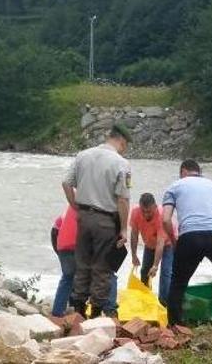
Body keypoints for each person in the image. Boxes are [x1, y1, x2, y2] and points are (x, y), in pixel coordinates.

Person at [62, 123, 132, 318]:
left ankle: (78, 310)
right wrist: (124, 229)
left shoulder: (83, 155)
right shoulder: (122, 164)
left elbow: (66, 182)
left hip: (83, 217)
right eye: (126, 144)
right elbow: (123, 199)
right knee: (102, 266)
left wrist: (75, 204)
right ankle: (96, 313)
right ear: (121, 140)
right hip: (105, 220)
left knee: (82, 262)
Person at [162, 159, 212, 326]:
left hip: (189, 236)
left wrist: (174, 241)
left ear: (183, 172)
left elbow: (165, 219)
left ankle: (175, 322)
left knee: (178, 281)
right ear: (199, 171)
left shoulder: (175, 186)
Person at [50, 206, 118, 317]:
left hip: (63, 245)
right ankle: (110, 311)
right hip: (80, 246)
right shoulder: (98, 209)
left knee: (68, 278)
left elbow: (55, 230)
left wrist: (59, 251)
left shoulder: (69, 209)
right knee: (108, 275)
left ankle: (58, 312)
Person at [130, 193, 175, 306]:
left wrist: (155, 265)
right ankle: (144, 300)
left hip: (168, 244)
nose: (146, 215)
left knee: (166, 272)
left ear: (155, 207)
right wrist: (134, 255)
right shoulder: (135, 212)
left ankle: (164, 303)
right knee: (145, 270)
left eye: (149, 211)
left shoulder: (160, 215)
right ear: (140, 207)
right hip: (150, 244)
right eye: (143, 211)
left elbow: (161, 242)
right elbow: (134, 234)